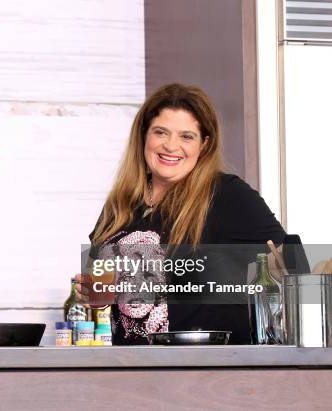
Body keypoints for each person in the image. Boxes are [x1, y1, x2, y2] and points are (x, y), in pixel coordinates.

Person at [77, 83, 285, 344]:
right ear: (144, 136)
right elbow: (100, 285)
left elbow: (290, 265)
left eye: (187, 136)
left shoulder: (226, 195)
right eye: (161, 132)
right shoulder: (120, 204)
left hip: (207, 371)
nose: (171, 146)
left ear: (204, 145)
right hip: (133, 368)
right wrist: (95, 296)